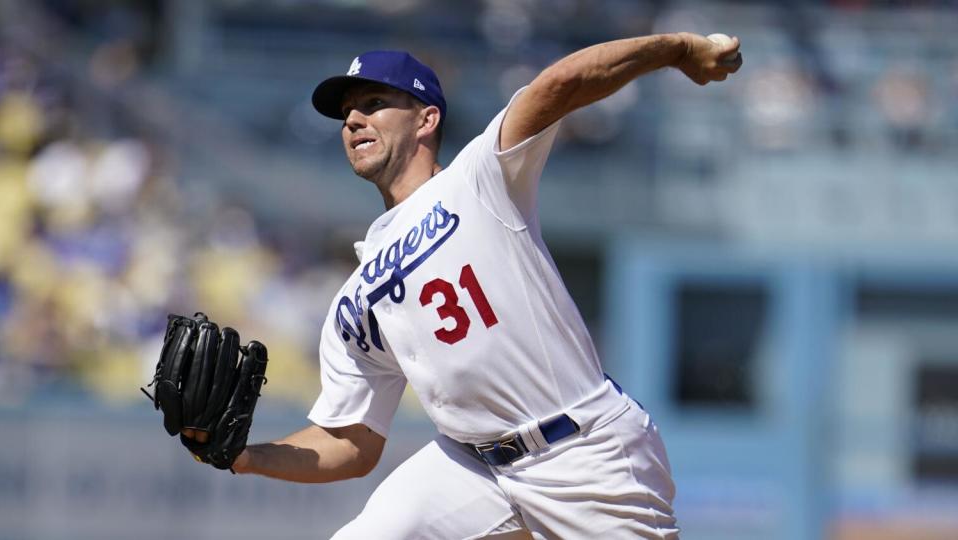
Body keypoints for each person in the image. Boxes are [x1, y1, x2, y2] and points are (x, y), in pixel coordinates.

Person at [227, 33, 742, 538]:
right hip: (471, 464)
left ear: (428, 118)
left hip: (583, 450)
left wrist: (677, 50)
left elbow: (561, 82)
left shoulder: (479, 179)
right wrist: (245, 456)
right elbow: (351, 444)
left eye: (375, 102)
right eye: (347, 113)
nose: (353, 119)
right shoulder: (358, 296)